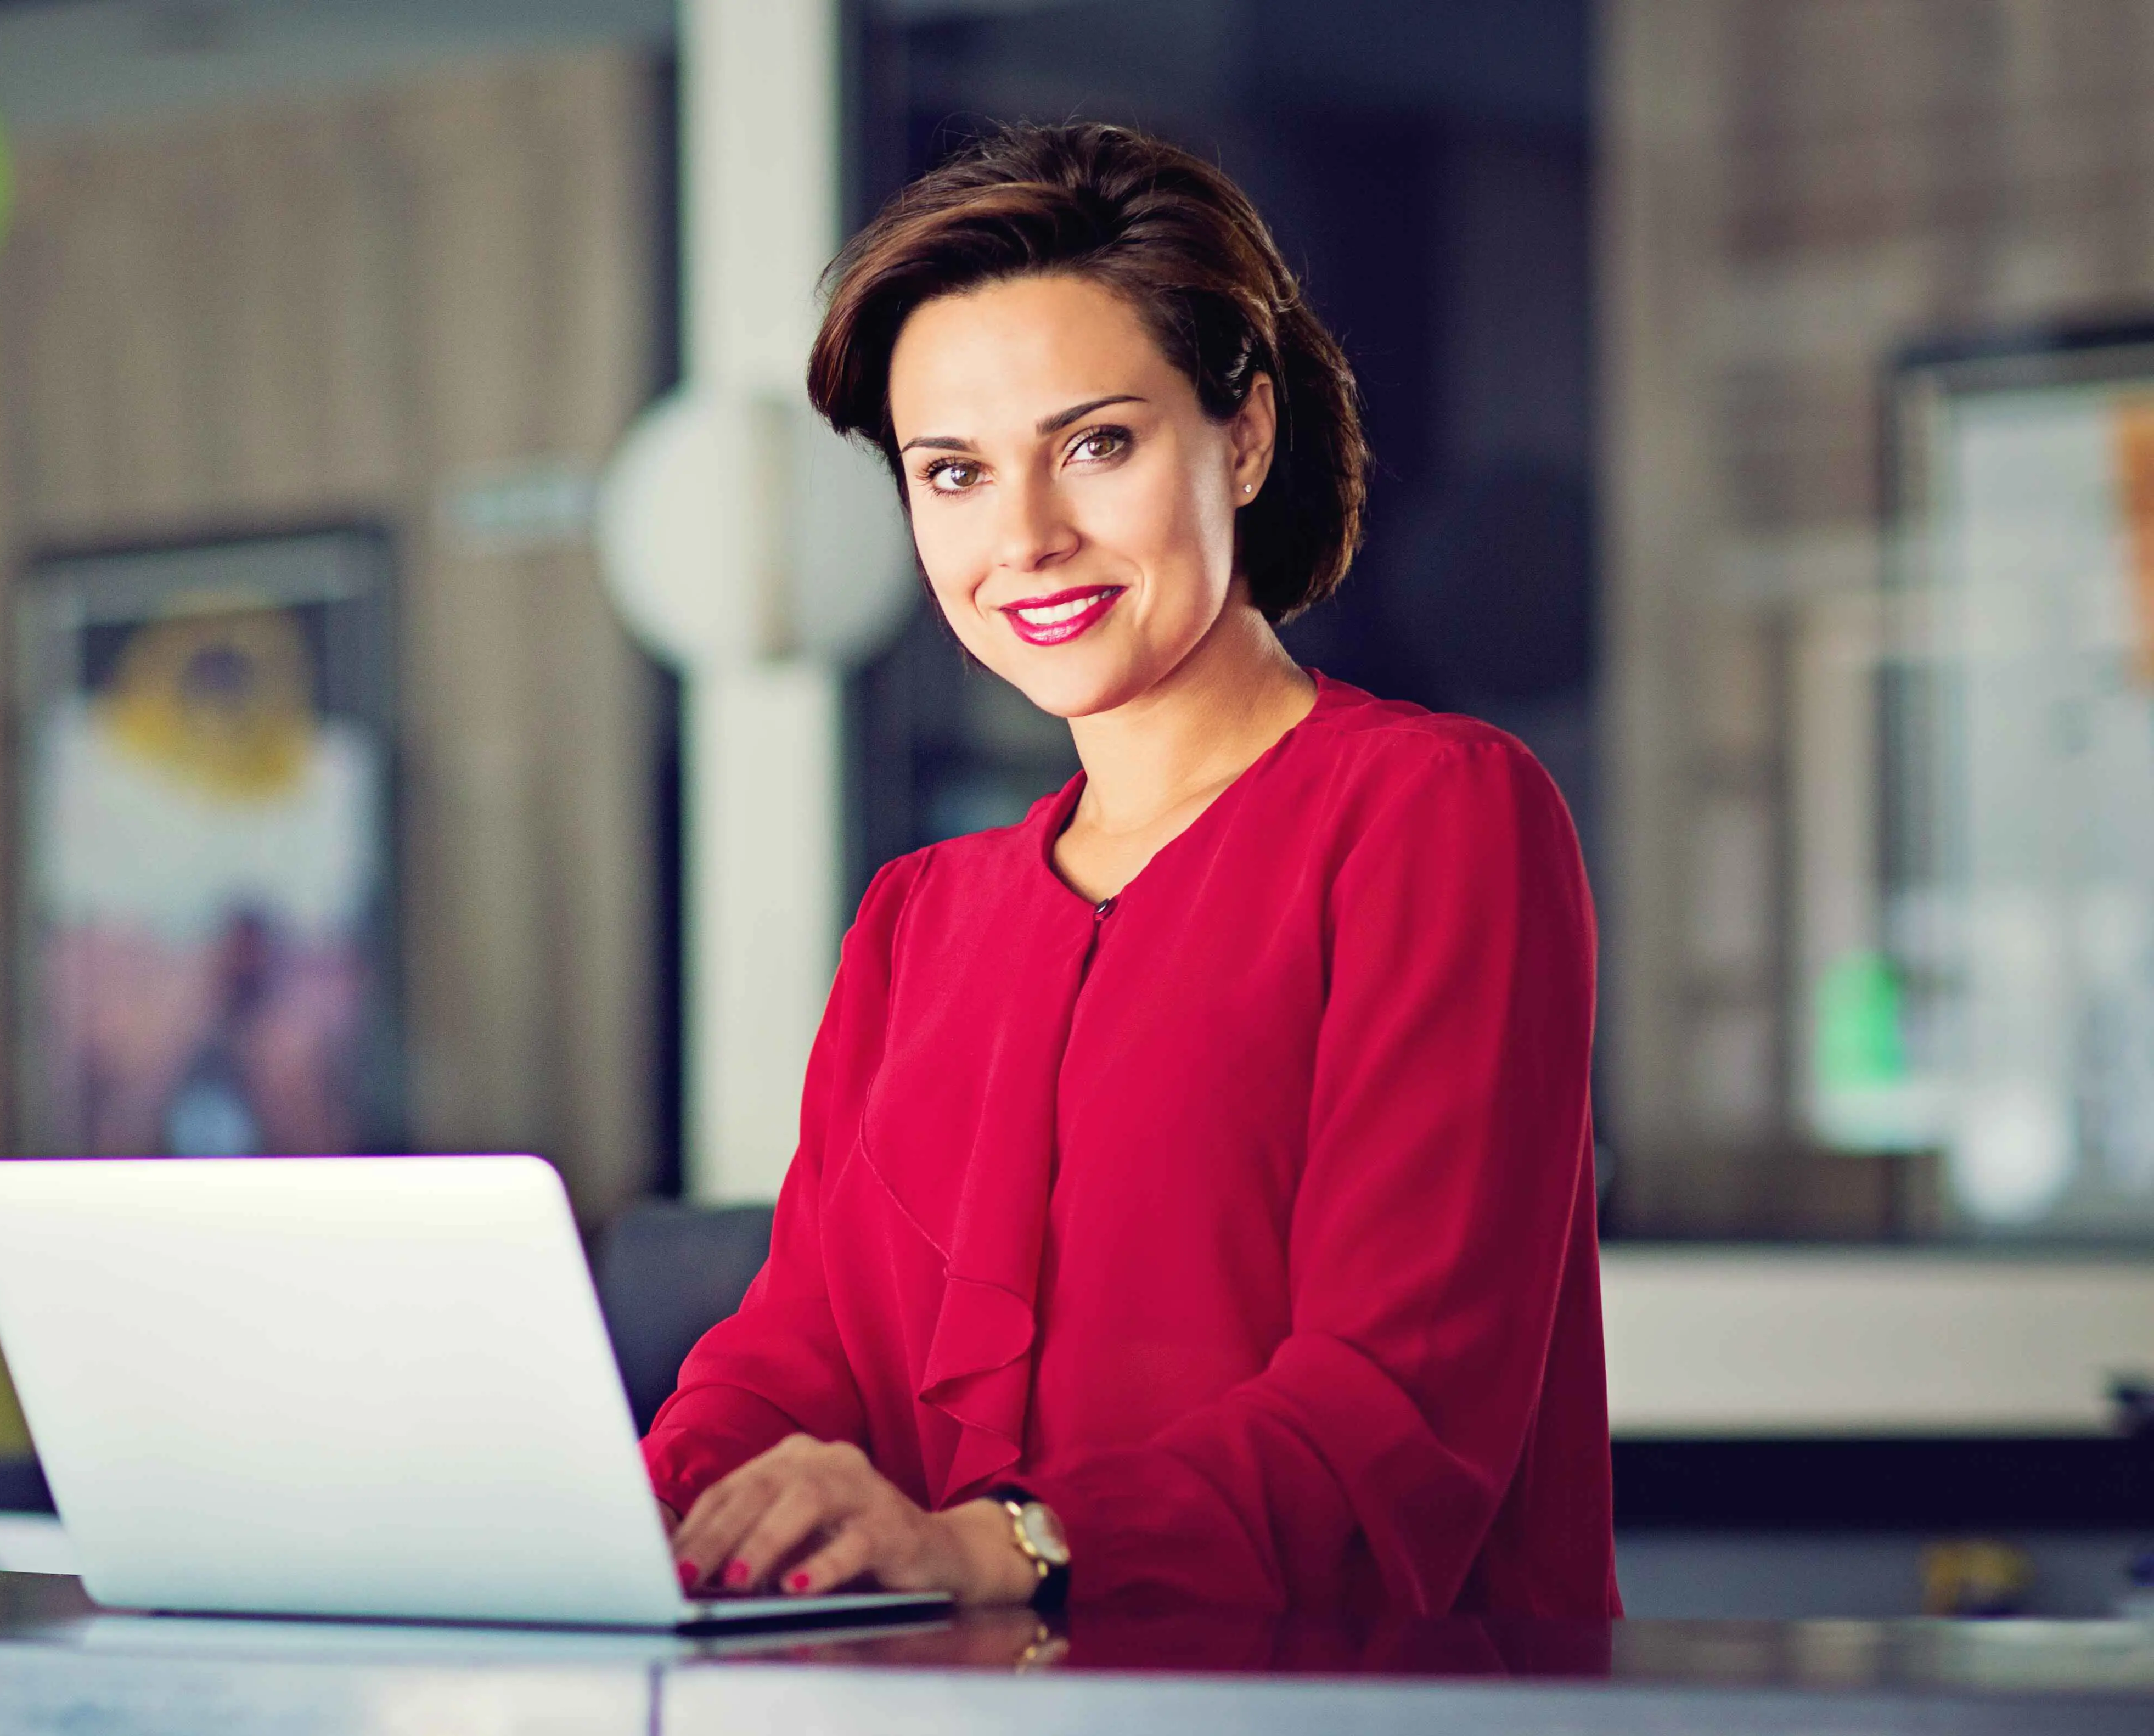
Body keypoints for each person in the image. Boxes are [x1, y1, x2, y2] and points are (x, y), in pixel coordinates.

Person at [650, 122, 1614, 1619]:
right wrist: (629, 1520)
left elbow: (1397, 1398)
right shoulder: (921, 919)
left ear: (1242, 435)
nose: (1025, 538)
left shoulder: (1437, 814)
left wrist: (1000, 1543)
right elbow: (798, 1357)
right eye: (953, 473)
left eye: (1097, 445)